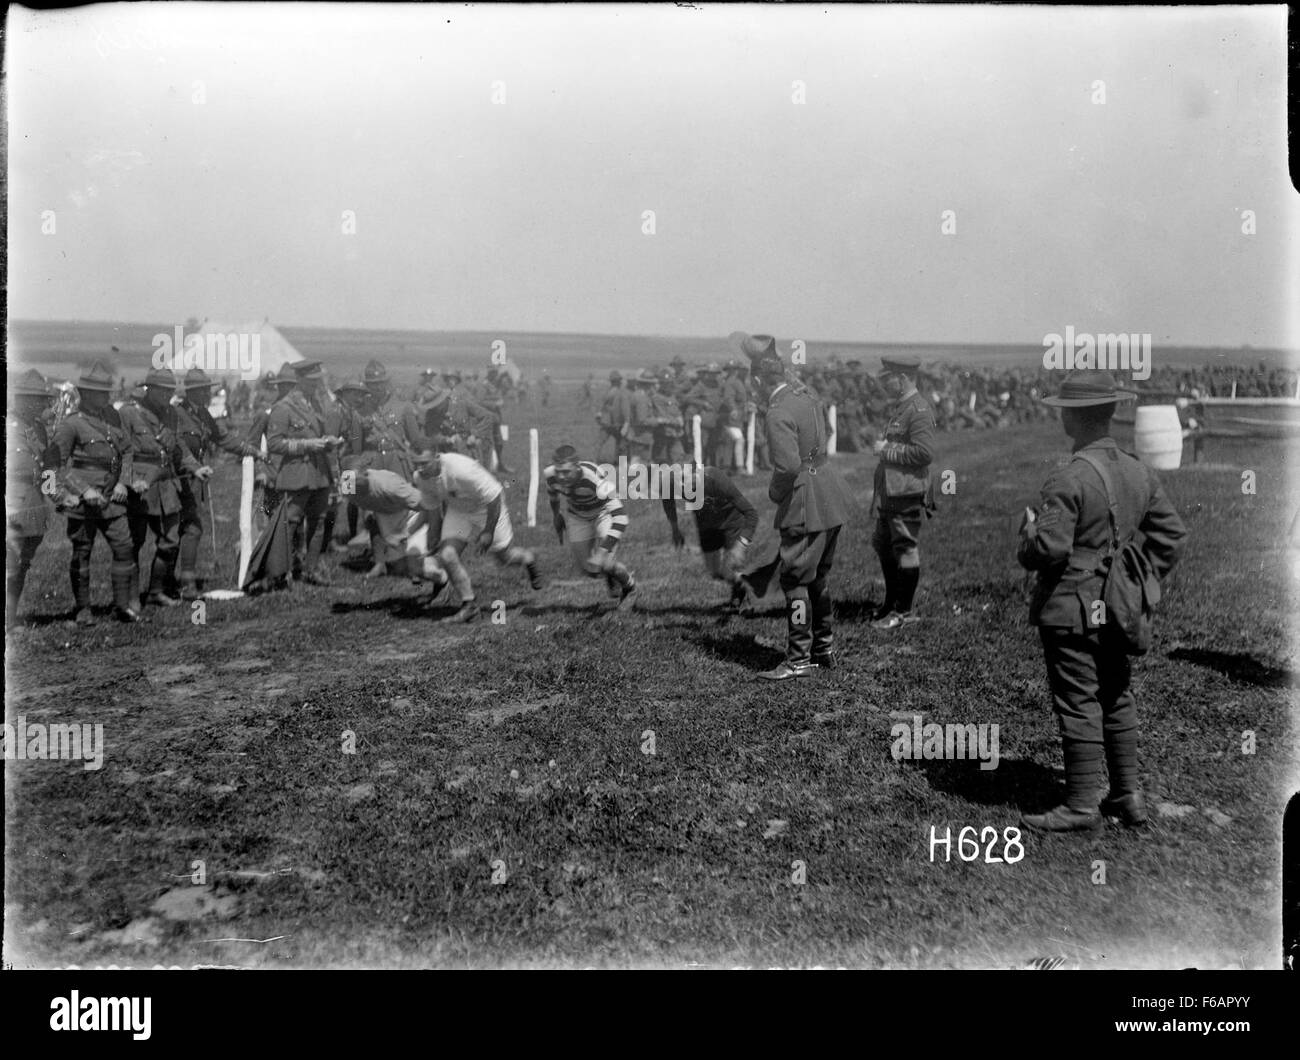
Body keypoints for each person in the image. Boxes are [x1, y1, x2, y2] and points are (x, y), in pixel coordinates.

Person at [1017, 371, 1187, 832]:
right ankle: (1126, 795)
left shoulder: (1068, 476)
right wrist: (1133, 574)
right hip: (1118, 606)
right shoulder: (1138, 470)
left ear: (1072, 418)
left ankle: (1080, 806)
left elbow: (1050, 549)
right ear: (1111, 412)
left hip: (1071, 606)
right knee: (1115, 693)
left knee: (1078, 699)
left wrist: (1028, 536)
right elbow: (1171, 535)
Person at [736, 333, 851, 679]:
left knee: (796, 580)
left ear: (757, 380)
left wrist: (775, 492)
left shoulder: (778, 412)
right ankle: (823, 647)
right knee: (818, 577)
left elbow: (786, 467)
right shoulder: (807, 396)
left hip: (804, 500)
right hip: (830, 492)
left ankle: (799, 658)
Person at [45, 360, 142, 623]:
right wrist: (83, 489)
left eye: (107, 393)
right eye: (99, 393)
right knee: (82, 552)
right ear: (85, 394)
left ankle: (123, 606)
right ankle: (84, 609)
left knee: (125, 547)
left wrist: (124, 481)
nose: (105, 397)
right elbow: (56, 465)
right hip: (83, 501)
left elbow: (128, 451)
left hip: (113, 497)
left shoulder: (114, 416)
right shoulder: (70, 424)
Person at [411, 449, 542, 622]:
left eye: (424, 463)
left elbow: (494, 496)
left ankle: (528, 558)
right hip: (459, 512)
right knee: (447, 554)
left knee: (504, 557)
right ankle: (470, 606)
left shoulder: (461, 469)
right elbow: (433, 505)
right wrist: (433, 533)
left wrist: (488, 531)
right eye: (416, 463)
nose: (420, 468)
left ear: (437, 457)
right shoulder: (419, 477)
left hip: (487, 508)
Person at [118, 367, 212, 607]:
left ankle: (155, 592)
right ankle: (131, 598)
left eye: (169, 391)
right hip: (140, 485)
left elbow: (179, 446)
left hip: (166, 483)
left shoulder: (171, 413)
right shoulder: (129, 413)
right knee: (135, 542)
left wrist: (195, 467)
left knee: (170, 540)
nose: (165, 395)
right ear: (149, 389)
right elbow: (123, 452)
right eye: (161, 390)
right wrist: (128, 481)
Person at [172, 368, 263, 597]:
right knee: (181, 529)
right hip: (176, 479)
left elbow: (221, 438)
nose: (207, 394)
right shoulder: (176, 414)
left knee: (190, 527)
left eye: (207, 390)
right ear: (192, 392)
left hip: (194, 478)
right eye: (203, 390)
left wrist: (249, 450)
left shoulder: (202, 414)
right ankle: (177, 583)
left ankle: (183, 582)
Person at [870, 356, 937, 630]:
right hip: (892, 490)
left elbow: (924, 453)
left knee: (905, 547)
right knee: (884, 545)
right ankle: (891, 603)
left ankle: (904, 612)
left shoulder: (919, 410)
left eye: (890, 379)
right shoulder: (902, 407)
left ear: (904, 378)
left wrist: (887, 450)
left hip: (906, 491)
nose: (886, 384)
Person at [266, 359, 342, 586]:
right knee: (290, 523)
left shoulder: (317, 405)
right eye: (310, 381)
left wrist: (327, 441)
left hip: (319, 473)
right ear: (299, 380)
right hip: (295, 474)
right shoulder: (284, 407)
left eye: (317, 381)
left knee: (318, 522)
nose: (315, 385)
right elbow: (275, 444)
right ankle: (282, 572)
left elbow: (323, 429)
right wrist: (308, 445)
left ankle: (311, 568)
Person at [543, 444, 637, 609]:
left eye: (566, 472)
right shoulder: (551, 475)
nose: (561, 477)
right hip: (577, 516)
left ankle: (630, 587)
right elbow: (553, 495)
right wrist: (556, 516)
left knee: (606, 562)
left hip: (603, 514)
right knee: (589, 570)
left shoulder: (595, 478)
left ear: (577, 467)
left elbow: (621, 518)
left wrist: (601, 552)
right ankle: (609, 575)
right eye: (558, 471)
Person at [661, 464, 758, 611]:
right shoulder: (670, 482)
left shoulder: (715, 478)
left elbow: (751, 514)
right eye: (679, 480)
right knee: (714, 572)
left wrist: (741, 545)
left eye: (686, 479)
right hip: (706, 524)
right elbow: (668, 501)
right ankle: (738, 588)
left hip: (731, 522)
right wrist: (675, 530)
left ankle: (750, 592)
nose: (683, 484)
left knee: (729, 570)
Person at [7, 370, 55, 625]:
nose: (43, 404)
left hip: (34, 504)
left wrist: (56, 495)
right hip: (11, 502)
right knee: (9, 565)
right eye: (38, 399)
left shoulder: (38, 429)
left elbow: (47, 469)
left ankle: (10, 618)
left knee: (22, 564)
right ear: (21, 398)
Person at [596, 370, 630, 463]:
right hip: (615, 422)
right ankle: (618, 462)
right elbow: (625, 408)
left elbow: (602, 405)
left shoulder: (609, 391)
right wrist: (626, 422)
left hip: (609, 422)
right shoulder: (621, 392)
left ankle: (596, 461)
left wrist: (599, 414)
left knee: (602, 443)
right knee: (621, 444)